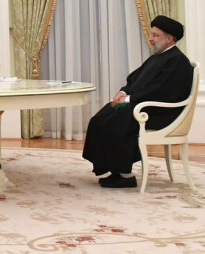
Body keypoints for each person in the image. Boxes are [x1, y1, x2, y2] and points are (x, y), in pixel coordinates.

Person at [82, 15, 194, 188]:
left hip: (160, 112)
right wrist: (122, 92)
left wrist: (128, 99)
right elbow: (134, 79)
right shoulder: (158, 56)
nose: (150, 38)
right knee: (100, 119)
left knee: (118, 122)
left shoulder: (177, 61)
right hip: (142, 105)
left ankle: (125, 175)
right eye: (152, 34)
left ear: (169, 38)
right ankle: (110, 169)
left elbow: (161, 91)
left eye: (155, 35)